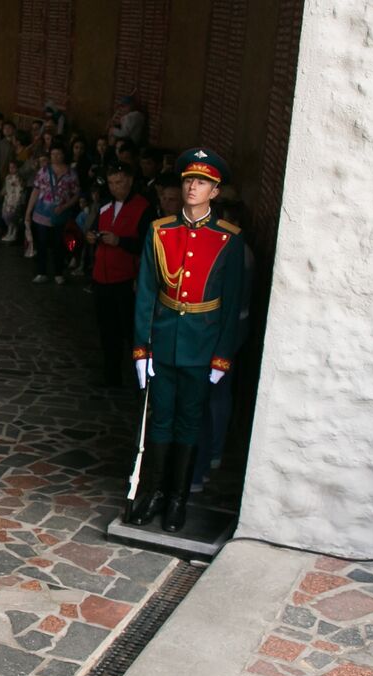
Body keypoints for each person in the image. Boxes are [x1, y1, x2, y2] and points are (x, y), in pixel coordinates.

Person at [127, 148, 245, 532]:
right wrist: (141, 348)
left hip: (202, 344)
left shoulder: (229, 240)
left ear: (215, 191)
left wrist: (222, 356)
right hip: (163, 340)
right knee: (160, 419)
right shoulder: (161, 231)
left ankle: (178, 499)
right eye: (188, 180)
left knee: (190, 421)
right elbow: (146, 291)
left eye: (202, 183)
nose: (192, 187)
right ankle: (154, 493)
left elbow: (231, 305)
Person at [86, 165, 150, 386]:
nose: (115, 188)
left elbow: (146, 244)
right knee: (107, 330)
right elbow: (93, 227)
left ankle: (138, 378)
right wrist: (92, 236)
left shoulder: (143, 207)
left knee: (130, 331)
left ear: (130, 181)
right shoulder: (105, 204)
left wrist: (120, 241)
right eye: (112, 183)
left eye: (119, 182)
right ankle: (111, 374)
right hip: (102, 277)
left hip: (126, 279)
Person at [24, 141, 79, 284]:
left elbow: (76, 194)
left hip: (60, 214)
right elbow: (35, 190)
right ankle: (41, 271)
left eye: (58, 154)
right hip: (41, 213)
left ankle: (58, 272)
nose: (55, 156)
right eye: (53, 154)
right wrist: (28, 211)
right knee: (41, 243)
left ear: (63, 155)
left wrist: (65, 206)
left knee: (58, 244)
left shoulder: (71, 173)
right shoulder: (43, 171)